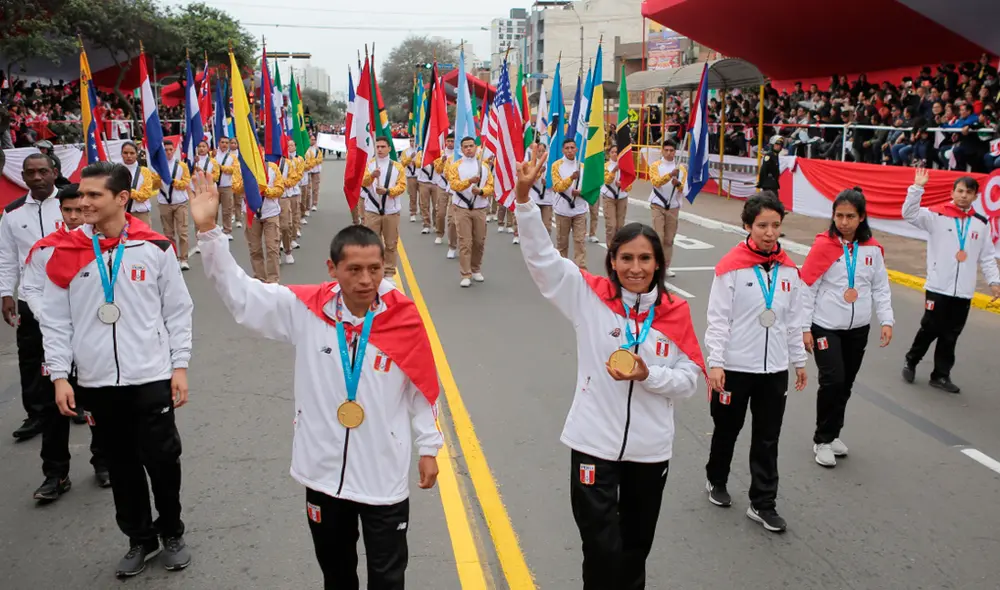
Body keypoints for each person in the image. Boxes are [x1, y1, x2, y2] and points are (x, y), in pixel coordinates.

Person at [189, 170, 442, 590]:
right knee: (336, 573)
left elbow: (422, 389)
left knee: (388, 576)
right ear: (332, 268)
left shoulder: (403, 319)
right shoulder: (305, 308)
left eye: (375, 269)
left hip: (383, 477)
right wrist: (209, 231)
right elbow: (241, 296)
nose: (366, 281)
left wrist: (430, 447)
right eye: (355, 269)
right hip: (322, 474)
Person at [513, 144, 706, 589]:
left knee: (635, 547)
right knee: (600, 547)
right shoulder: (590, 296)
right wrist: (524, 200)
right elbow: (543, 260)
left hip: (649, 450)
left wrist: (648, 375)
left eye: (644, 259)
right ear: (612, 261)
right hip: (593, 444)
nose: (635, 268)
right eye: (626, 259)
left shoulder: (675, 312)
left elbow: (688, 382)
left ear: (658, 263)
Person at [32, 161, 193, 577]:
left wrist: (179, 366)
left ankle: (171, 531)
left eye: (92, 196)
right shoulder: (64, 251)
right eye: (80, 195)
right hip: (97, 382)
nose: (81, 202)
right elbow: (55, 320)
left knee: (162, 461)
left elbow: (177, 310)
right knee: (121, 465)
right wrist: (61, 375)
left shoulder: (156, 248)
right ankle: (139, 539)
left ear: (122, 199)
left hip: (151, 376)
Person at [704, 191, 808, 534]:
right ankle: (716, 478)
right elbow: (718, 319)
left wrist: (799, 361)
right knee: (727, 428)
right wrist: (716, 362)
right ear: (747, 226)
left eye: (775, 225)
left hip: (773, 370)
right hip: (735, 368)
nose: (769, 232)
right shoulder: (730, 268)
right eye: (762, 225)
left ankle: (762, 503)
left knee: (767, 438)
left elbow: (794, 320)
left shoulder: (788, 270)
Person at [21, 184, 111, 497]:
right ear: (60, 211)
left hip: (93, 339)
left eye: (79, 210)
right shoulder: (46, 248)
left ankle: (103, 462)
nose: (74, 216)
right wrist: (46, 314)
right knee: (53, 409)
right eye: (67, 210)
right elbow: (30, 289)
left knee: (96, 406)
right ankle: (56, 474)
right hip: (56, 340)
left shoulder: (106, 247)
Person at [799, 188, 894, 467]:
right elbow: (808, 289)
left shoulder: (872, 250)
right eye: (838, 216)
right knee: (833, 380)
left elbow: (880, 287)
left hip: (858, 327)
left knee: (846, 383)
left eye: (850, 216)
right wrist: (805, 328)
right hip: (826, 326)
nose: (843, 222)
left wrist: (887, 320)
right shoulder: (823, 246)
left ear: (862, 217)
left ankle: (833, 432)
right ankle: (822, 439)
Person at [901, 168, 1000, 393]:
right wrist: (917, 188)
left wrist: (995, 281)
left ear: (976, 196)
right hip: (938, 286)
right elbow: (909, 214)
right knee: (930, 328)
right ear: (952, 192)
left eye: (969, 192)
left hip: (963, 291)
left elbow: (986, 256)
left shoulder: (981, 223)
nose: (964, 195)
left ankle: (940, 375)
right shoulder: (936, 215)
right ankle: (911, 360)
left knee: (951, 334)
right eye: (960, 191)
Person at [0, 153, 63, 441]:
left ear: (54, 172)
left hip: (71, 295)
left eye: (42, 171)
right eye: (30, 173)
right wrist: (6, 294)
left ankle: (81, 403)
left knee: (79, 352)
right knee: (31, 357)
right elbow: (7, 257)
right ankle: (37, 413)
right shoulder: (12, 213)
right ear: (22, 177)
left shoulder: (71, 204)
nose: (36, 177)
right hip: (30, 298)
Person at [446, 137, 494, 287]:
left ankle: (476, 269)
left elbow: (490, 187)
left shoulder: (484, 167)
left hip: (480, 208)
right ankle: (465, 273)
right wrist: (469, 181)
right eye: (465, 147)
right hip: (462, 208)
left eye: (471, 146)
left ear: (476, 148)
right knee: (465, 241)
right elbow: (454, 184)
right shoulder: (455, 166)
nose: (468, 149)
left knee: (479, 241)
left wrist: (480, 191)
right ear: (461, 149)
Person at [233, 153, 286, 282]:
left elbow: (280, 189)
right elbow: (236, 187)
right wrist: (248, 184)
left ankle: (273, 281)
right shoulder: (242, 169)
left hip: (270, 213)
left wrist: (265, 190)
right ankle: (260, 280)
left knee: (272, 248)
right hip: (252, 214)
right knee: (255, 249)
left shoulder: (272, 168)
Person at [362, 136, 407, 283]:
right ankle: (373, 270)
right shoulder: (369, 165)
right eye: (378, 147)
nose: (380, 149)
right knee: (372, 243)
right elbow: (362, 181)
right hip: (372, 209)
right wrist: (372, 176)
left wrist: (388, 191)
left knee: (390, 243)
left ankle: (388, 273)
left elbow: (402, 186)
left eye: (383, 147)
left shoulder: (397, 167)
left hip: (391, 211)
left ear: (389, 148)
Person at [647, 141, 685, 278]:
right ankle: (656, 264)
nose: (669, 153)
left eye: (672, 150)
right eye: (666, 150)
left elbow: (684, 189)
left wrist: (678, 183)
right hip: (658, 204)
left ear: (675, 152)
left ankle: (666, 265)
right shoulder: (655, 166)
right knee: (658, 236)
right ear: (662, 151)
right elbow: (655, 182)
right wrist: (669, 176)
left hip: (673, 207)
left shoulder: (680, 168)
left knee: (669, 239)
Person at [551, 138, 589, 268]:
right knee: (562, 243)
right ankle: (563, 269)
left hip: (580, 209)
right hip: (562, 210)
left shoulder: (583, 166)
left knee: (580, 242)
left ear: (577, 149)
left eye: (572, 148)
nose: (570, 150)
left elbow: (589, 187)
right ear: (563, 150)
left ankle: (582, 270)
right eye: (567, 148)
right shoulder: (556, 165)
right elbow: (557, 187)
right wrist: (571, 178)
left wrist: (581, 192)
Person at [157, 140, 193, 270]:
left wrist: (172, 181)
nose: (168, 152)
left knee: (182, 232)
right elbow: (154, 184)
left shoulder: (181, 165)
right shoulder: (157, 166)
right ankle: (173, 258)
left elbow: (186, 182)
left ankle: (184, 258)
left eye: (170, 149)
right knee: (168, 234)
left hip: (180, 202)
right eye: (165, 150)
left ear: (174, 150)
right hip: (164, 202)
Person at [120, 141, 159, 226]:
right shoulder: (116, 171)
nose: (128, 156)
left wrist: (127, 192)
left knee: (144, 239)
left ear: (136, 154)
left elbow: (145, 194)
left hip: (141, 214)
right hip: (121, 214)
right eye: (125, 153)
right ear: (121, 154)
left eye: (132, 153)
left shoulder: (144, 171)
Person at [279, 144, 305, 263]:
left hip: (289, 193)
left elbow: (296, 176)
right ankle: (276, 252)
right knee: (274, 226)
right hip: (269, 198)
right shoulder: (267, 161)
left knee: (287, 223)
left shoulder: (295, 161)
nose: (289, 148)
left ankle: (289, 245)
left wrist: (281, 184)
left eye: (291, 146)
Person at [602, 144, 631, 247]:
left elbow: (629, 185)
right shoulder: (605, 166)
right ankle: (610, 249)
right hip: (608, 197)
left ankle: (618, 247)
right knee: (611, 225)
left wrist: (623, 184)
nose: (615, 154)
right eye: (612, 152)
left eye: (617, 152)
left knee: (620, 226)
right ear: (609, 154)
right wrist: (614, 170)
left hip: (622, 197)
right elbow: (606, 180)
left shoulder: (626, 165)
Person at [215, 137, 237, 237]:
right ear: (218, 143)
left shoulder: (232, 157)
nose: (224, 144)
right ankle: (213, 229)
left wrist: (222, 168)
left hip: (227, 186)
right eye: (222, 142)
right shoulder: (213, 154)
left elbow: (234, 169)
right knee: (213, 210)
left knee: (227, 210)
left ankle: (227, 230)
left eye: (226, 143)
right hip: (214, 186)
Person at [401, 137, 419, 222]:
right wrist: (410, 158)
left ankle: (423, 211)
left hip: (421, 176)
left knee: (423, 197)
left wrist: (417, 162)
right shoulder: (406, 151)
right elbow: (403, 163)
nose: (412, 142)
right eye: (410, 141)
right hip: (411, 176)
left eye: (414, 141)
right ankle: (413, 212)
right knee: (412, 195)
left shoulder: (420, 150)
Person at [306, 134, 323, 213]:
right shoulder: (306, 148)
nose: (313, 141)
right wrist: (310, 165)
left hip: (316, 171)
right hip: (308, 171)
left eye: (314, 139)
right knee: (308, 189)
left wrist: (313, 162)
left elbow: (320, 159)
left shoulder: (317, 149)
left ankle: (314, 204)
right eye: (312, 139)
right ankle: (307, 206)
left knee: (315, 188)